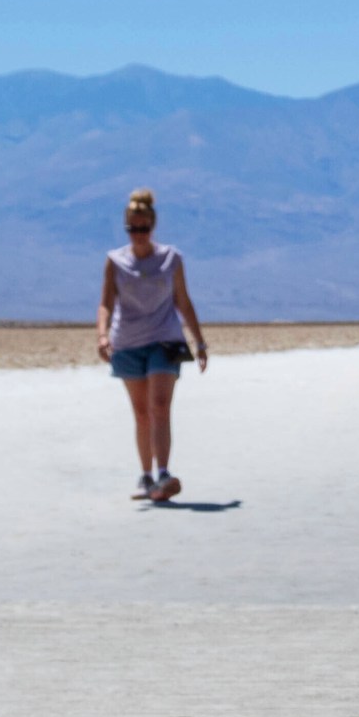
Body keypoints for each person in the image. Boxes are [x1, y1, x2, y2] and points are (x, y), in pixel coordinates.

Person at [98, 189, 206, 501]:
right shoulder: (115, 261)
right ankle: (146, 477)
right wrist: (102, 336)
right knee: (142, 412)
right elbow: (105, 303)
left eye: (143, 228)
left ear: (153, 227)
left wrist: (199, 342)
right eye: (133, 229)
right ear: (126, 228)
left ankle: (163, 473)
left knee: (160, 406)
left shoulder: (171, 259)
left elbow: (183, 302)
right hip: (127, 342)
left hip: (164, 340)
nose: (139, 234)